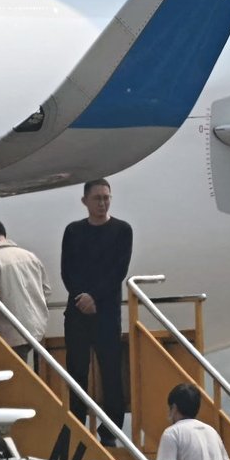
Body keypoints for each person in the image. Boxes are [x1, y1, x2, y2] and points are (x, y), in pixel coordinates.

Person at [60, 179, 133, 444]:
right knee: (77, 371)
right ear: (85, 202)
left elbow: (118, 272)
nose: (102, 203)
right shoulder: (73, 231)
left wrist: (95, 298)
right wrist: (82, 297)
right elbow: (67, 270)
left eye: (106, 198)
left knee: (110, 372)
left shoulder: (122, 230)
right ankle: (78, 425)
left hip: (106, 312)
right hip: (78, 311)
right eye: (97, 198)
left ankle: (110, 430)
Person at [0, 217, 53, 362]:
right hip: (34, 330)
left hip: (7, 333)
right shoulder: (30, 256)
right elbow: (46, 291)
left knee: (11, 379)